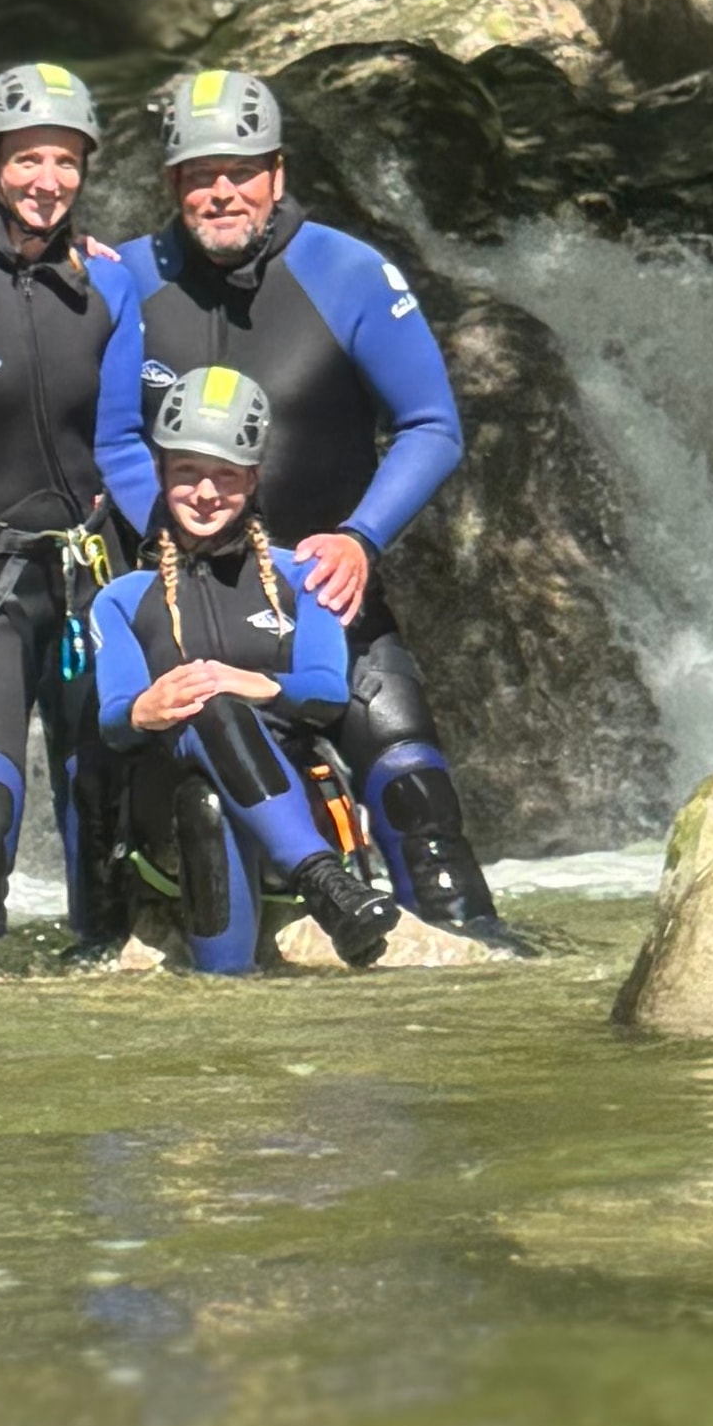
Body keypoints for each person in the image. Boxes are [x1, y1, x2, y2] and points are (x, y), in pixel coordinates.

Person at [96, 62, 513, 942]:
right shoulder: (126, 278)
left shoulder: (347, 270)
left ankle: (481, 963)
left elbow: (432, 424)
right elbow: (106, 436)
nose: (220, 192)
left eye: (240, 171)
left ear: (276, 172)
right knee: (154, 808)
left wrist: (359, 538)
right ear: (172, 183)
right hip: (176, 600)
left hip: (323, 592)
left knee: (412, 788)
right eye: (199, 176)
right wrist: (175, 542)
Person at [0, 60, 150, 951]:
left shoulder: (110, 284)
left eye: (66, 162)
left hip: (85, 584)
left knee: (103, 817)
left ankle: (93, 1014)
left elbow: (123, 444)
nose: (47, 182)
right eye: (26, 161)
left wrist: (178, 545)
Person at [90, 366, 395, 973]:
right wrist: (143, 711)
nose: (205, 494)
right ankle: (327, 888)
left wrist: (258, 685)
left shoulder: (303, 576)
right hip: (169, 824)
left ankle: (231, 983)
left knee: (218, 710)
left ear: (253, 480)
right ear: (161, 475)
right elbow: (113, 723)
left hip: (293, 794)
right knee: (207, 729)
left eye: (225, 476)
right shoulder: (121, 598)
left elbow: (328, 696)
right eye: (186, 474)